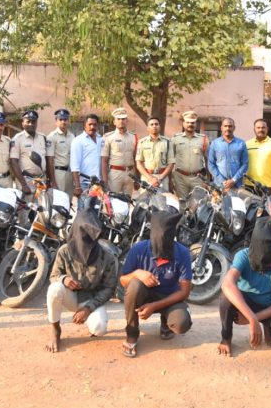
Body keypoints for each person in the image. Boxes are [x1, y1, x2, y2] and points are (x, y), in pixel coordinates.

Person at [217, 217, 271, 357]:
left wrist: (255, 318)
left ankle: (268, 326)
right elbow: (227, 284)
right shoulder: (242, 256)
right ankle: (226, 338)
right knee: (225, 298)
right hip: (246, 303)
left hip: (269, 304)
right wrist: (251, 317)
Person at [119, 211, 193, 358]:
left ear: (173, 234)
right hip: (144, 295)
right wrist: (137, 273)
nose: (162, 239)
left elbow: (184, 291)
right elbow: (123, 280)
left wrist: (154, 306)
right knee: (134, 285)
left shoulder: (183, 253)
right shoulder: (138, 249)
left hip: (169, 298)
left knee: (181, 322)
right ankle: (132, 334)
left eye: (167, 236)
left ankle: (166, 322)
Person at [45, 208, 117, 353]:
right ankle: (55, 329)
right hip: (70, 296)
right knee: (54, 289)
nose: (87, 245)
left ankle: (91, 321)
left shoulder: (107, 257)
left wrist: (88, 308)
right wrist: (64, 279)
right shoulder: (64, 251)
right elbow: (54, 276)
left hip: (91, 299)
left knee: (99, 329)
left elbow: (109, 288)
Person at [10, 110, 53, 196]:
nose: (31, 124)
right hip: (26, 181)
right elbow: (13, 162)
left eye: (33, 122)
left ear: (36, 123)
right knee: (27, 204)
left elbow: (46, 160)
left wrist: (49, 179)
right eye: (28, 121)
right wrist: (24, 185)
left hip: (41, 180)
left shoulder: (43, 138)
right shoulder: (17, 139)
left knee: (41, 203)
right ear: (23, 123)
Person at [171, 111, 208, 200]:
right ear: (183, 124)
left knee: (197, 203)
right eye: (187, 122)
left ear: (196, 124)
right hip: (180, 178)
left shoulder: (203, 139)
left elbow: (207, 160)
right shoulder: (175, 139)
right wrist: (170, 180)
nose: (190, 124)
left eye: (192, 123)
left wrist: (207, 180)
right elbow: (171, 160)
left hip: (198, 178)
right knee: (182, 203)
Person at [101, 107, 138, 194]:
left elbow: (135, 159)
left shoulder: (134, 137)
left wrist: (137, 178)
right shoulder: (108, 137)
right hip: (115, 174)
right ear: (114, 122)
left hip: (130, 174)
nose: (121, 121)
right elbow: (104, 161)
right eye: (118, 119)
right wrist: (105, 181)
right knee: (114, 200)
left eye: (123, 119)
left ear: (127, 121)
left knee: (127, 200)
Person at [135, 117, 175, 192]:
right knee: (145, 199)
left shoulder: (167, 142)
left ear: (160, 126)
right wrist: (150, 178)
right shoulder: (142, 142)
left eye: (156, 124)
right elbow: (139, 164)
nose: (154, 126)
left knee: (162, 199)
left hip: (162, 178)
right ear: (147, 128)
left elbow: (171, 163)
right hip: (146, 178)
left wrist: (160, 177)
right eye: (152, 124)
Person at [207, 118, 248, 190]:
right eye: (225, 126)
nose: (228, 128)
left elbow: (245, 164)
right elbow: (211, 164)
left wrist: (234, 180)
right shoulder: (215, 143)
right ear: (221, 128)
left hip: (236, 185)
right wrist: (222, 181)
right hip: (219, 185)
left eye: (230, 126)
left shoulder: (241, 143)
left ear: (234, 128)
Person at [70, 114, 103, 198]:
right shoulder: (78, 141)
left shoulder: (101, 140)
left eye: (95, 124)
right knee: (84, 206)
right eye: (90, 124)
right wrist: (77, 186)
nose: (92, 127)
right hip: (85, 184)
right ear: (84, 126)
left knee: (98, 206)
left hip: (99, 183)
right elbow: (74, 165)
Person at [246, 118, 271, 189]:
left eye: (263, 127)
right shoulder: (247, 144)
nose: (261, 129)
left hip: (268, 185)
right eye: (258, 127)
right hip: (248, 184)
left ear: (267, 129)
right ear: (254, 129)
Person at [47, 108, 75, 195]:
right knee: (59, 199)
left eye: (65, 119)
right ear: (56, 121)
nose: (63, 122)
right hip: (58, 174)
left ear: (68, 121)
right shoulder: (51, 137)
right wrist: (53, 181)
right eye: (61, 119)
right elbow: (49, 161)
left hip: (70, 173)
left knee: (69, 199)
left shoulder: (72, 136)